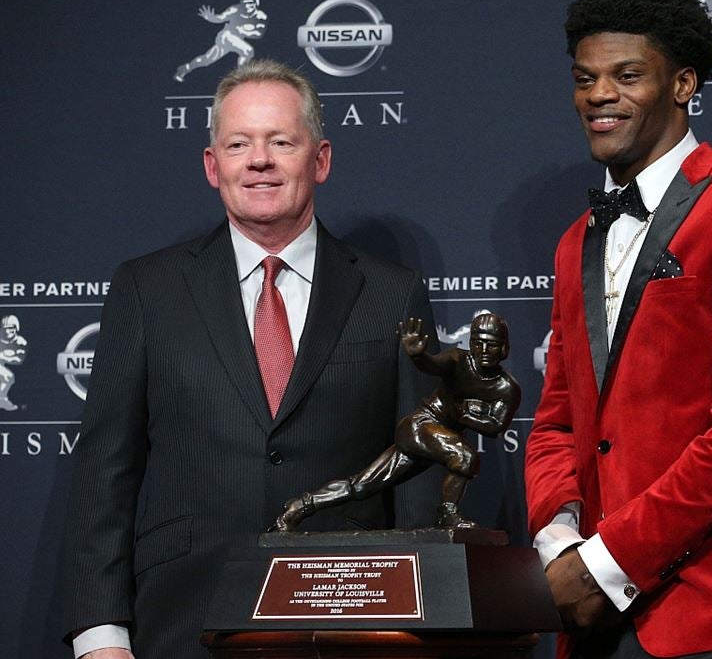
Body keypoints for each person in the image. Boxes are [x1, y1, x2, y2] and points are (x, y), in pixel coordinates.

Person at [55, 59, 440, 659]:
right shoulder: (145, 290)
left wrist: (426, 629)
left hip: (351, 624)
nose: (259, 160)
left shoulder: (393, 294)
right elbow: (106, 471)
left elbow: (418, 468)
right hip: (182, 620)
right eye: (238, 144)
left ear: (321, 159)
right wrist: (100, 634)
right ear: (214, 166)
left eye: (281, 142)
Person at [524, 0, 712, 657]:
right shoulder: (575, 242)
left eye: (627, 75)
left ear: (683, 83)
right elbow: (557, 420)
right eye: (585, 78)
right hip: (596, 624)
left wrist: (604, 563)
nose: (600, 95)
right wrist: (559, 540)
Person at [272, 312, 521, 532]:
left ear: (504, 348)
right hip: (420, 426)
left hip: (437, 439)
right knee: (465, 457)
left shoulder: (506, 388)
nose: (485, 351)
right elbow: (433, 365)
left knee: (362, 486)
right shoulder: (458, 360)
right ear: (471, 344)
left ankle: (301, 506)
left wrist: (464, 416)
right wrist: (418, 355)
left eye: (492, 345)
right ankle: (448, 515)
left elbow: (496, 427)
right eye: (479, 343)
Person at [173, 0, 267, 83]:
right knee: (248, 51)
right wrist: (211, 18)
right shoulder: (235, 9)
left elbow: (259, 34)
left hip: (236, 39)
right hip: (226, 36)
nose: (247, 6)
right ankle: (241, 78)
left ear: (256, 3)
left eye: (250, 3)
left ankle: (185, 68)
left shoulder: (261, 17)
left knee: (207, 59)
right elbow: (220, 18)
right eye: (244, 3)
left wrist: (245, 31)